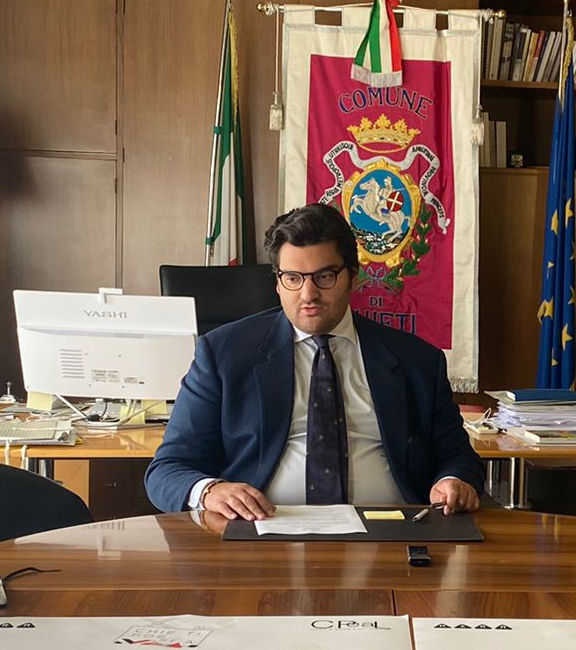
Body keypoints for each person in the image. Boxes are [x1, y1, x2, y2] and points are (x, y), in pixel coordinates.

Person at [146, 203, 485, 519]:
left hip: (392, 531)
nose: (308, 295)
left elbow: (458, 458)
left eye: (324, 277)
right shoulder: (224, 353)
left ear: (353, 276)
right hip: (262, 529)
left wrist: (452, 481)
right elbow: (168, 469)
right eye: (293, 278)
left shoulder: (417, 360)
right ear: (278, 283)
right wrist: (210, 491)